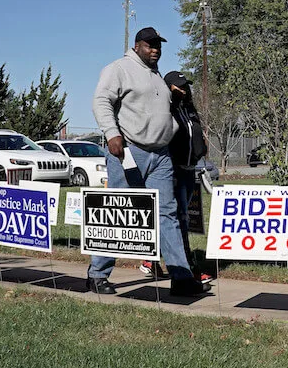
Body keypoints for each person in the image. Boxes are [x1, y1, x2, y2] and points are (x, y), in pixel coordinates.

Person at [88, 27, 210, 297]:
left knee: (167, 215)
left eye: (159, 45)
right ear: (137, 45)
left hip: (161, 155)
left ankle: (180, 276)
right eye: (150, 45)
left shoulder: (156, 77)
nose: (155, 49)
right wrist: (112, 134)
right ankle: (97, 274)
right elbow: (101, 101)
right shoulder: (119, 68)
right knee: (117, 213)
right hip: (129, 151)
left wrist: (173, 99)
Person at [140, 70, 213, 284]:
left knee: (179, 217)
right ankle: (185, 268)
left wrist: (201, 149)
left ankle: (154, 261)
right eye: (178, 86)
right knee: (176, 217)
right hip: (171, 170)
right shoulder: (165, 109)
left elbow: (195, 134)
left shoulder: (189, 109)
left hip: (190, 169)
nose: (183, 90)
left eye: (185, 86)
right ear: (167, 88)